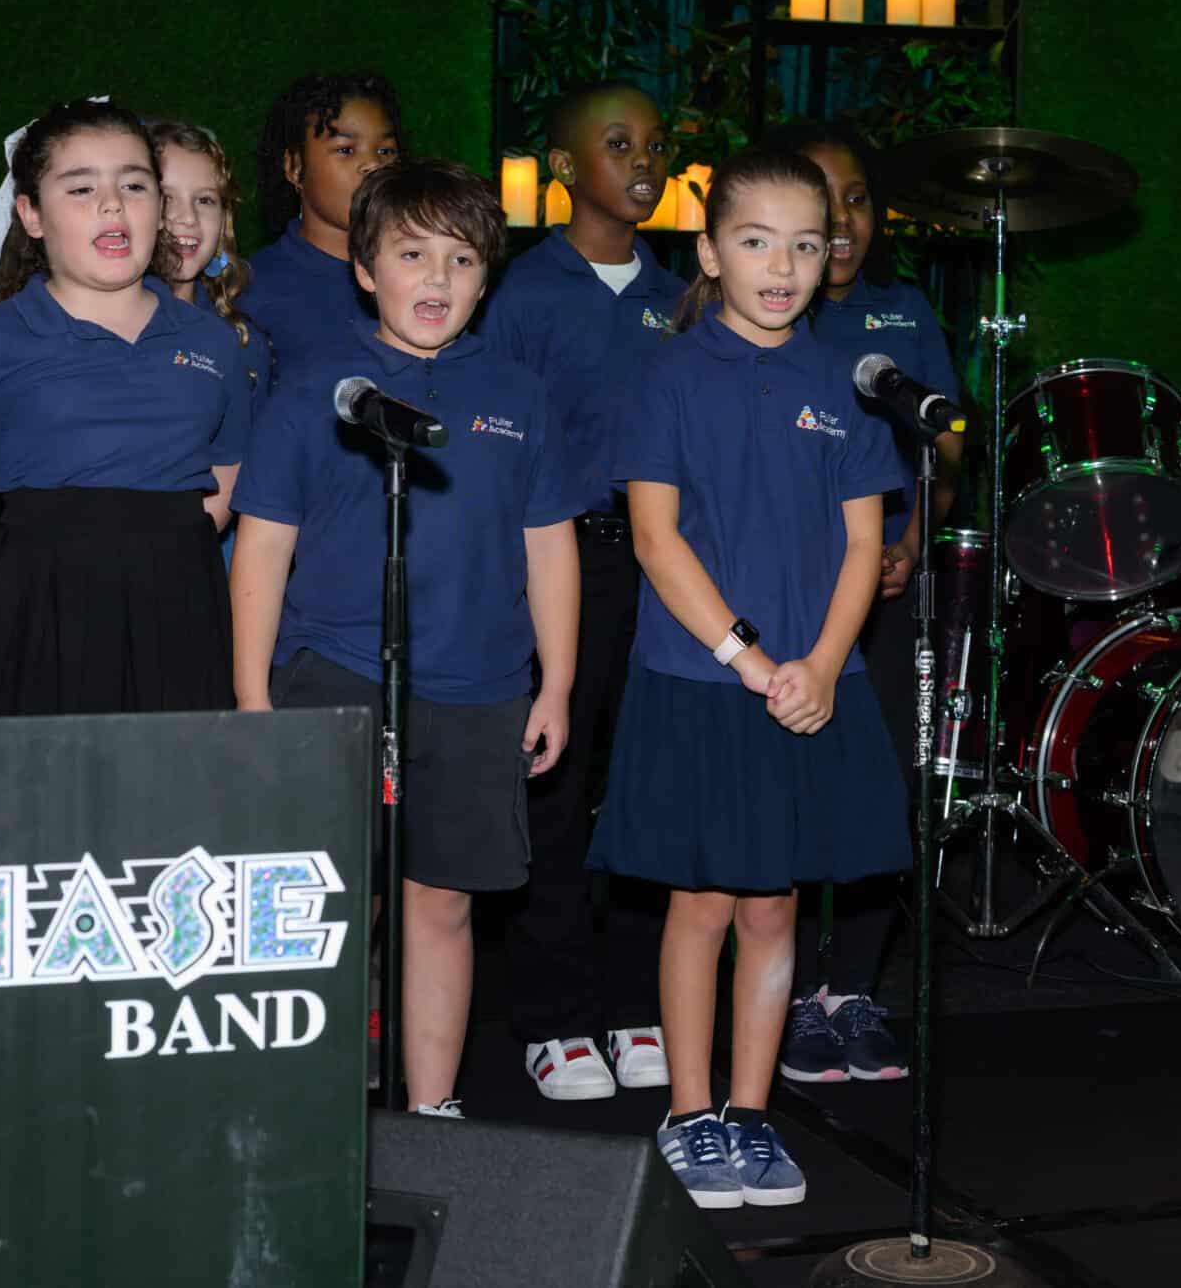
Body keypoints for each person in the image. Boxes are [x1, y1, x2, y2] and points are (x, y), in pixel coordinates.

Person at [230, 158, 586, 1119]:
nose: (437, 278)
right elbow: (262, 547)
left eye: (462, 259)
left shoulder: (518, 394)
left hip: (479, 686)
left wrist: (555, 683)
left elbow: (548, 543)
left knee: (443, 901)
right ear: (365, 268)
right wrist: (254, 697)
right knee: (330, 901)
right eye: (412, 254)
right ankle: (307, 1112)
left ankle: (433, 1114)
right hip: (336, 672)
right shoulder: (317, 390)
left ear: (487, 277)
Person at [587, 149, 910, 1210]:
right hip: (701, 677)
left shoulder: (848, 382)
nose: (783, 266)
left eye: (805, 245)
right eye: (757, 241)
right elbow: (655, 537)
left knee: (774, 905)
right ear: (712, 252)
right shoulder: (670, 374)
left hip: (810, 683)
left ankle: (752, 1112)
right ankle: (690, 1113)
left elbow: (864, 544)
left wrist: (820, 665)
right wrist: (753, 658)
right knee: (704, 900)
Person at [0, 99, 248, 718]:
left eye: (134, 185)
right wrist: (6, 605)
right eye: (81, 189)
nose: (112, 205)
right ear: (30, 215)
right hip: (29, 634)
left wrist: (153, 575)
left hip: (178, 626)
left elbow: (221, 489)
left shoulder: (213, 343)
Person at [484, 82, 683, 1102]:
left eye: (655, 144)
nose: (644, 161)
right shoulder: (522, 293)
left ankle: (640, 1001)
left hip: (669, 571)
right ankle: (555, 1017)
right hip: (562, 564)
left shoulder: (684, 294)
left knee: (648, 784)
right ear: (563, 168)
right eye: (618, 143)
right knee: (554, 789)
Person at [778, 122, 962, 1085]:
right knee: (786, 789)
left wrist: (911, 542)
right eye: (822, 200)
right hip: (784, 597)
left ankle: (851, 989)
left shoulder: (904, 312)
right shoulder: (768, 312)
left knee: (879, 786)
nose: (842, 220)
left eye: (856, 198)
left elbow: (948, 451)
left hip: (887, 595)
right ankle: (785, 996)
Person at [237, 71, 402, 385]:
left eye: (385, 151)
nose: (373, 165)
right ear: (295, 167)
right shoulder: (249, 291)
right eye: (345, 150)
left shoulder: (425, 276)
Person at [150, 117, 264, 404]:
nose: (188, 217)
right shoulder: (100, 330)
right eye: (166, 198)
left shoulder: (243, 340)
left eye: (205, 200)